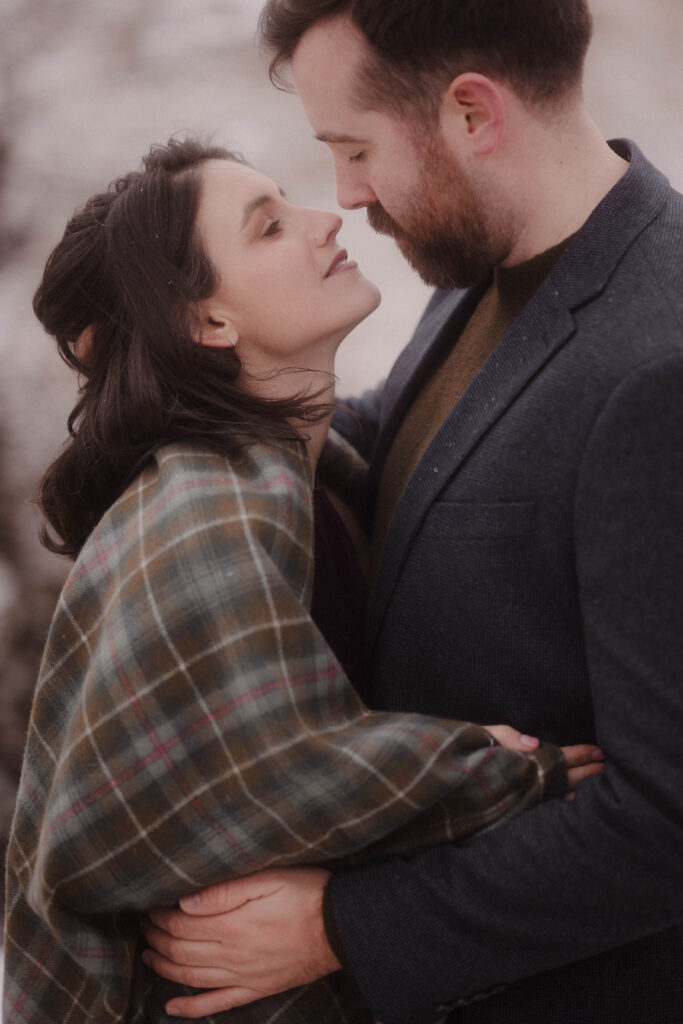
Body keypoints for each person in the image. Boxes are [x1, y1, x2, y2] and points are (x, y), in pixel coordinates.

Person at [138, 2, 683, 1022]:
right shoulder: (483, 262)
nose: (344, 195)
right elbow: (400, 451)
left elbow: (665, 817)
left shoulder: (658, 365)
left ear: (471, 114)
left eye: (352, 148)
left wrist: (340, 925)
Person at [1, 137, 602, 1024]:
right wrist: (495, 772)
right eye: (269, 226)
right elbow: (249, 769)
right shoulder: (208, 503)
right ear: (207, 323)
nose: (328, 219)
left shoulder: (314, 471)